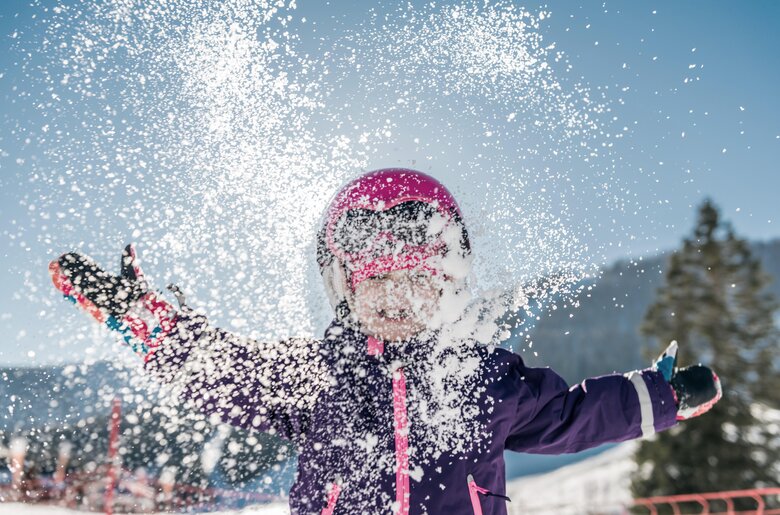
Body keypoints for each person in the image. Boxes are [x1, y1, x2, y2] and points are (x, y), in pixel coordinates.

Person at [49, 168, 722, 515]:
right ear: (345, 289)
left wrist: (660, 396)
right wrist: (145, 318)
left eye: (417, 282)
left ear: (449, 286)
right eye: (379, 286)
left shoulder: (486, 378)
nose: (397, 298)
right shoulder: (313, 376)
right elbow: (218, 372)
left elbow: (575, 415)